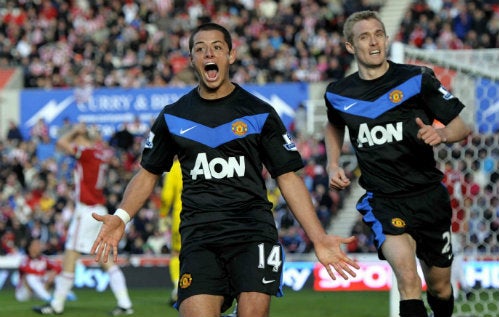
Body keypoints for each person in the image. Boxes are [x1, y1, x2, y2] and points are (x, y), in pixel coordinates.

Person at [90, 22, 359, 317]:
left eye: (217, 47)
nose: (209, 53)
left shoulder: (259, 112)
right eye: (200, 48)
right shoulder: (174, 116)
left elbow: (287, 177)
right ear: (192, 59)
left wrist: (319, 238)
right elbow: (148, 173)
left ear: (231, 55)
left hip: (252, 232)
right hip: (199, 235)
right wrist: (121, 217)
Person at [323, 10, 471, 317]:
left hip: (429, 195)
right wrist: (332, 163)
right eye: (364, 36)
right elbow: (334, 124)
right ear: (350, 46)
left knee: (440, 286)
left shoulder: (417, 79)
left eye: (379, 34)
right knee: (407, 278)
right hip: (385, 200)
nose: (374, 41)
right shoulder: (338, 94)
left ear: (387, 39)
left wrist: (441, 134)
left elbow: (462, 126)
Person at [33, 123, 134, 316]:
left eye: (77, 139)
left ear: (82, 139)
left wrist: (74, 131)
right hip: (100, 210)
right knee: (107, 259)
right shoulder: (101, 153)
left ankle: (56, 305)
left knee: (70, 254)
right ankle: (125, 303)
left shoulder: (86, 152)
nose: (74, 142)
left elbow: (62, 142)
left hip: (86, 210)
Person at [160, 158, 182, 306]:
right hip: (205, 216)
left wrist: (162, 214)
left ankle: (177, 288)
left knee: (176, 253)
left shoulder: (175, 168)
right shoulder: (201, 158)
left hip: (181, 217)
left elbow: (166, 196)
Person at [16, 238, 61, 303]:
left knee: (56, 275)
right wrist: (46, 273)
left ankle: (66, 294)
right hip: (25, 292)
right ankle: (48, 298)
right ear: (29, 248)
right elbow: (27, 270)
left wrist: (53, 273)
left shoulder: (43, 259)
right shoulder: (24, 259)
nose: (39, 247)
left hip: (39, 291)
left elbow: (58, 267)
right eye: (36, 245)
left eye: (39, 244)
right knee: (30, 277)